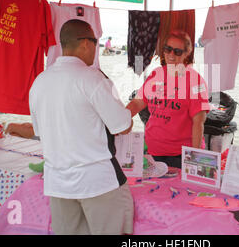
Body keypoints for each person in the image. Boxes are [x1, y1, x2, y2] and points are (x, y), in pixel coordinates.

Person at [29, 19, 134, 235]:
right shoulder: (91, 78)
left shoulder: (39, 82)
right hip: (96, 182)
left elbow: (40, 132)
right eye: (96, 42)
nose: (96, 48)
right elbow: (123, 126)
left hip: (57, 182)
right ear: (86, 43)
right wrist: (135, 106)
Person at [126, 30, 210, 168]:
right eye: (168, 49)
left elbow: (198, 123)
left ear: (186, 53)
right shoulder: (156, 75)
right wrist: (117, 122)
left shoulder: (195, 81)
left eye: (177, 51)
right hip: (153, 151)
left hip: (181, 155)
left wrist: (195, 160)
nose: (171, 54)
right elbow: (137, 103)